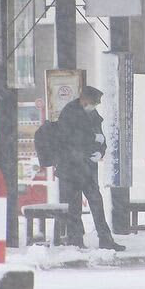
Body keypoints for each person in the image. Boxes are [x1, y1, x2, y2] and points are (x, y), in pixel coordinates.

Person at [56, 86, 125, 251]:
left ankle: (105, 239)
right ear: (84, 99)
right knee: (74, 206)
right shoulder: (69, 113)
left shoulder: (92, 114)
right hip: (70, 169)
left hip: (87, 168)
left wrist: (100, 151)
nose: (96, 105)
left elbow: (101, 137)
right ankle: (75, 240)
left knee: (96, 203)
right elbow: (70, 139)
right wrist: (92, 139)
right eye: (94, 102)